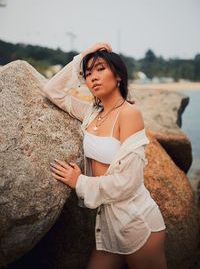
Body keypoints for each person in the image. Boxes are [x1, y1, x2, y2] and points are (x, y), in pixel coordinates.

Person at [42, 42, 167, 269]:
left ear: (118, 75)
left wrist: (79, 182)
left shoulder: (129, 114)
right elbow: (51, 90)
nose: (93, 78)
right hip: (109, 226)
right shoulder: (91, 114)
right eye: (88, 74)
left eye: (101, 69)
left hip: (137, 224)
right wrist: (84, 55)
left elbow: (128, 182)